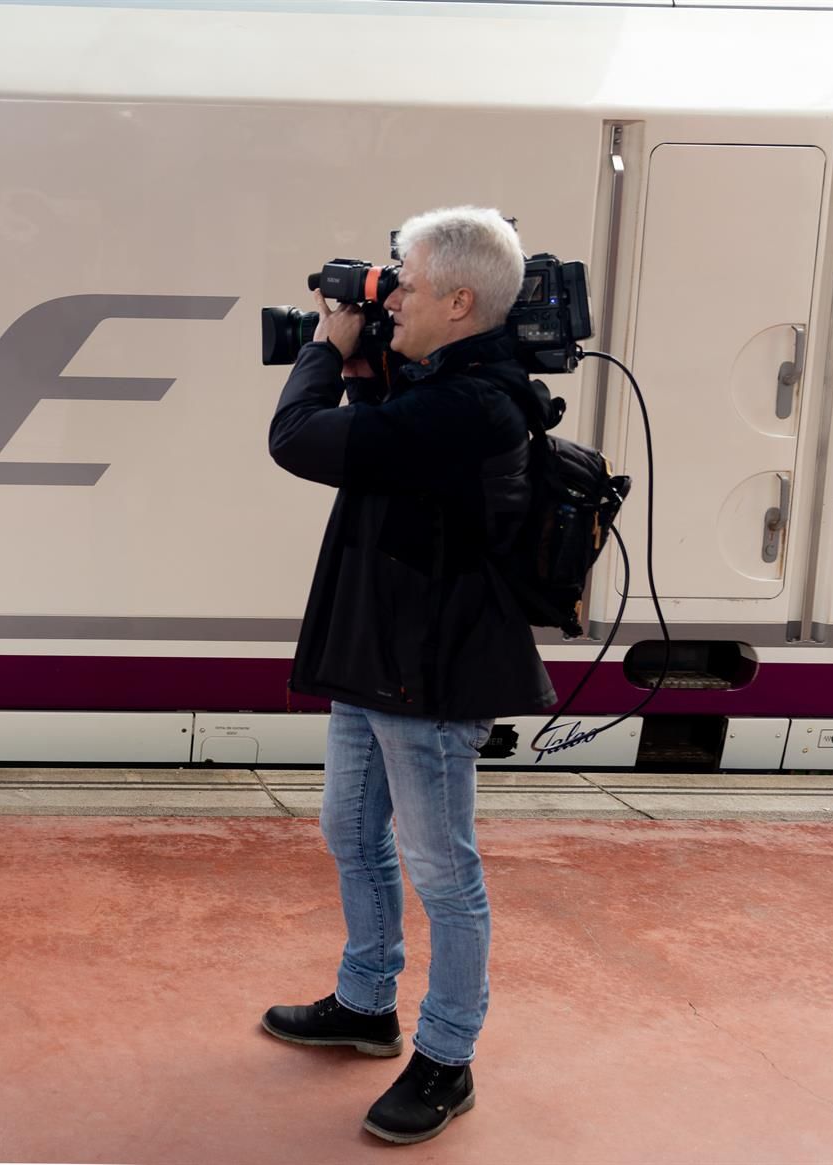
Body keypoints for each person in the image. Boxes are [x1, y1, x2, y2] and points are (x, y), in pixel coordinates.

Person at [260, 206, 556, 1145]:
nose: (389, 301)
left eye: (407, 286)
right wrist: (360, 365)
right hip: (379, 653)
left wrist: (325, 346)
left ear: (460, 303)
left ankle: (447, 1057)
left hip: (431, 671)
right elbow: (380, 450)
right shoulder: (438, 384)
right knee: (350, 829)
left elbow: (298, 440)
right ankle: (365, 1002)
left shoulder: (472, 404)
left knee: (443, 869)